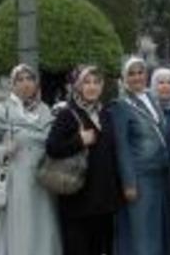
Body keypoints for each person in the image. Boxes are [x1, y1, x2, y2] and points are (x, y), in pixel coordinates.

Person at [0, 64, 60, 255]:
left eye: (30, 79)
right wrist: (3, 150)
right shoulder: (2, 110)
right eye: (20, 79)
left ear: (36, 83)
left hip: (43, 180)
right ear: (13, 84)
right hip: (16, 180)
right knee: (20, 226)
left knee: (42, 224)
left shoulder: (45, 111)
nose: (26, 84)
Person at [46, 66, 120, 255]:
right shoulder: (68, 114)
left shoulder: (106, 114)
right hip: (77, 200)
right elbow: (52, 148)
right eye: (87, 82)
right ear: (78, 86)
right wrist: (79, 140)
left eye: (96, 82)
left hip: (103, 200)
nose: (92, 87)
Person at [111, 57, 170, 255]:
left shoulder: (152, 99)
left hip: (160, 175)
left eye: (140, 72)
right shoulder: (121, 105)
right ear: (124, 78)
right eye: (132, 73)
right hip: (140, 178)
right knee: (141, 232)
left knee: (157, 230)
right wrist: (129, 182)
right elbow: (122, 146)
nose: (137, 77)